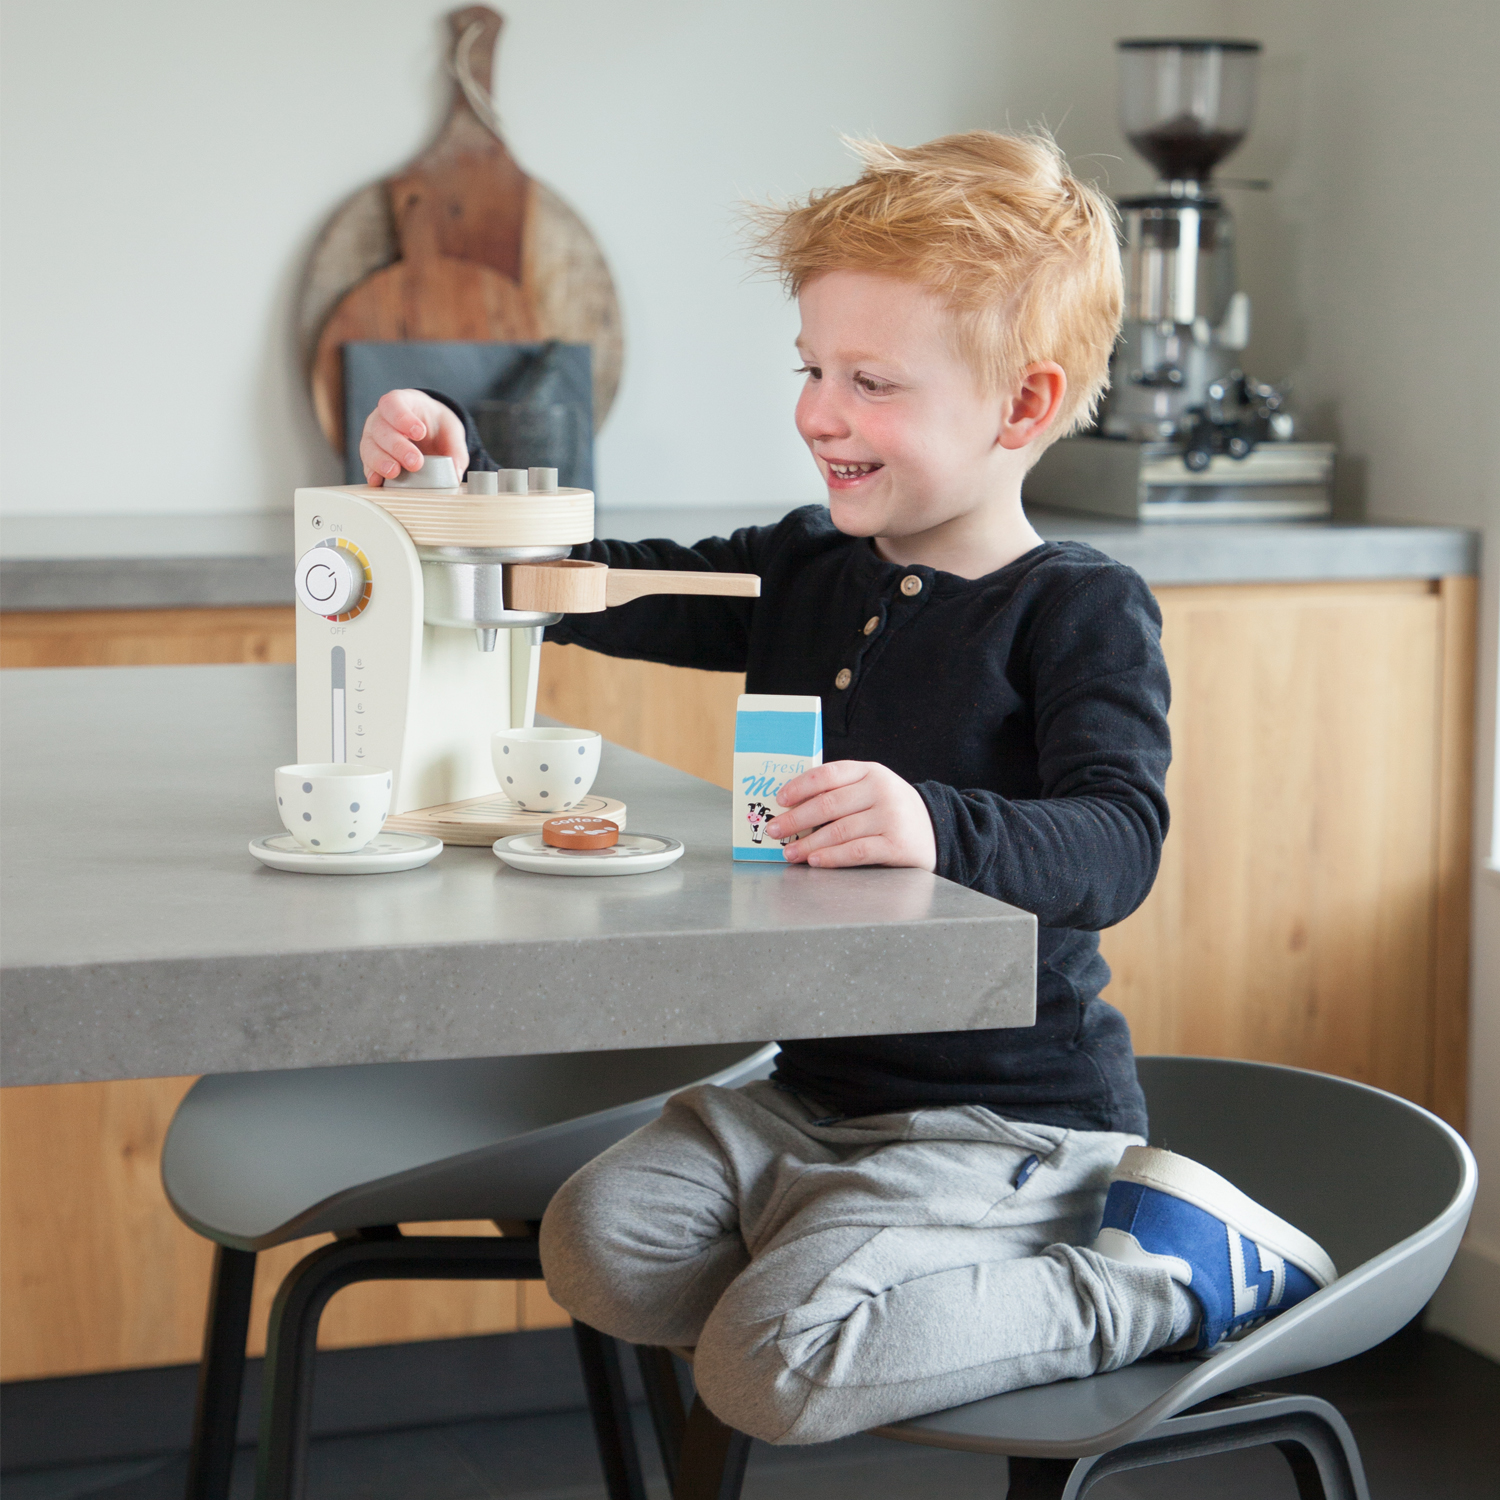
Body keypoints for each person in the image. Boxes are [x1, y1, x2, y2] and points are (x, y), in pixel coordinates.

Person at [358, 131, 1335, 1445]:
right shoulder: (811, 565)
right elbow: (604, 578)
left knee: (768, 1371)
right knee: (594, 1246)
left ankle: (1154, 1276)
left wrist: (935, 823)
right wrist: (456, 489)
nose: (821, 411)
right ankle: (855, 1263)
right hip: (809, 1093)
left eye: (872, 382)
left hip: (1006, 1121)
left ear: (1023, 407)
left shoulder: (1079, 608)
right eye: (814, 369)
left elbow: (1120, 841)